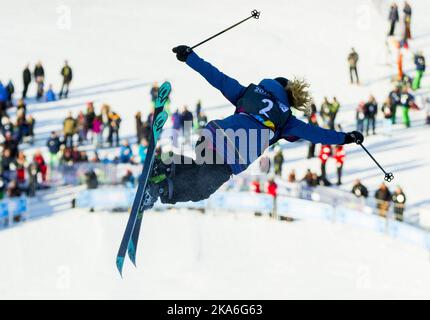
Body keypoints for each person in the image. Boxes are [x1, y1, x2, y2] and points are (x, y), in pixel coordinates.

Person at [139, 46, 364, 209]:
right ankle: (159, 189)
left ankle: (165, 166)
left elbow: (217, 78)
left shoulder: (248, 94)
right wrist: (346, 138)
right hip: (232, 156)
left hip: (211, 136)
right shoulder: (286, 120)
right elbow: (317, 134)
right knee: (201, 188)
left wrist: (190, 57)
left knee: (199, 167)